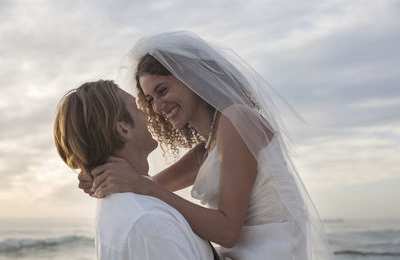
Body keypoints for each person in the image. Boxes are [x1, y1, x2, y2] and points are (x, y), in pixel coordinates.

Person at [80, 32, 333, 259]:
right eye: (149, 99)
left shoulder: (237, 119)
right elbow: (145, 182)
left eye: (162, 90)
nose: (157, 108)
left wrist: (140, 185)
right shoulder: (208, 148)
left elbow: (227, 231)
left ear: (191, 79)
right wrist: (98, 176)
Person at [54, 80, 216, 260]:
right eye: (137, 107)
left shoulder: (124, 201)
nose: (150, 113)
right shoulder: (149, 222)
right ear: (123, 129)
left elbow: (206, 155)